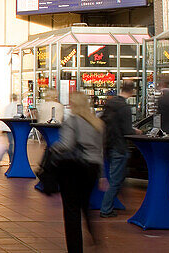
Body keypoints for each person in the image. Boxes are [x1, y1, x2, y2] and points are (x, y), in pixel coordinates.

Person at [53, 91, 105, 253]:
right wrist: (102, 174)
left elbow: (66, 145)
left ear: (73, 104)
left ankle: (75, 248)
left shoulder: (72, 121)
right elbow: (101, 150)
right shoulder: (97, 123)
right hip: (93, 168)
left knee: (71, 210)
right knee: (84, 203)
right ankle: (94, 235)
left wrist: (53, 148)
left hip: (74, 168)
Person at [100, 80, 135, 217]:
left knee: (114, 177)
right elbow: (127, 131)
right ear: (132, 92)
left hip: (108, 143)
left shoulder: (109, 104)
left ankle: (112, 204)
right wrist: (135, 131)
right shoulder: (125, 108)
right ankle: (106, 208)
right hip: (119, 146)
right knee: (116, 179)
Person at [0, 93, 21, 162]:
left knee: (10, 143)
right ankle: (11, 159)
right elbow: (17, 116)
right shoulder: (16, 106)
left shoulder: (8, 106)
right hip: (12, 127)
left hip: (6, 127)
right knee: (12, 144)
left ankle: (3, 157)